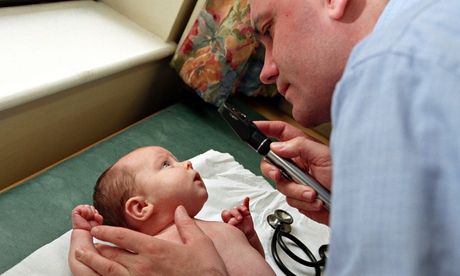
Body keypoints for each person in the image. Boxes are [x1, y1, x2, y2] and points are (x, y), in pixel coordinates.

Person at [73, 0, 460, 274]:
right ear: (139, 209)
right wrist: (348, 200)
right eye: (167, 165)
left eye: (269, 30)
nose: (266, 72)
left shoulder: (389, 74)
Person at [68, 146, 275, 275]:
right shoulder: (149, 261)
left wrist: (248, 238)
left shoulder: (216, 226)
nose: (187, 163)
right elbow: (86, 265)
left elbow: (257, 262)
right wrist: (81, 232)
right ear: (141, 207)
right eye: (167, 165)